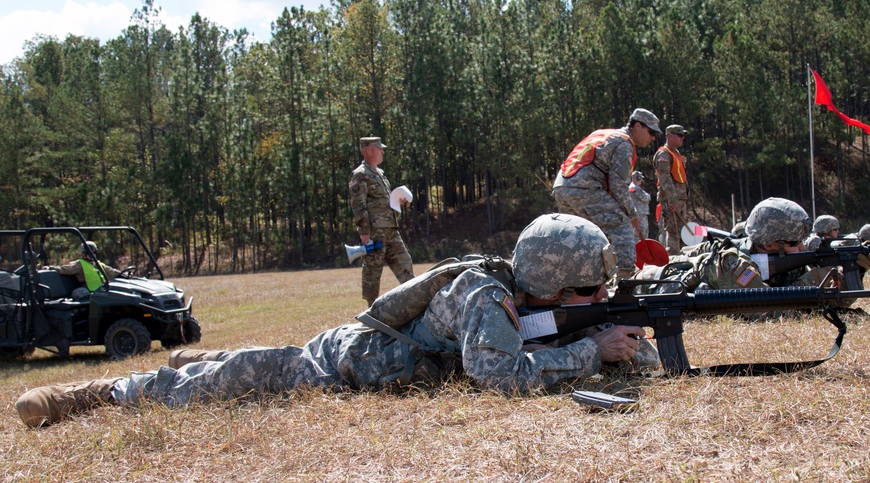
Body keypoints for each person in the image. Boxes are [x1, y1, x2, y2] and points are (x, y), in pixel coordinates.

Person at [15, 213, 655, 428]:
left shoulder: (537, 301)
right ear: (551, 283)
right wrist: (594, 352)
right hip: (348, 362)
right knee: (247, 377)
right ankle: (105, 392)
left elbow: (580, 336)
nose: (596, 298)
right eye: (589, 290)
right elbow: (502, 375)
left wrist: (626, 341)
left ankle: (187, 361)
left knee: (259, 362)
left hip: (369, 360)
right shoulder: (487, 296)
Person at [639, 198, 870, 294]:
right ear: (772, 244)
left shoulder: (782, 262)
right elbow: (767, 312)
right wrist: (816, 277)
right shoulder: (733, 263)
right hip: (652, 284)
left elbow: (821, 301)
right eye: (796, 243)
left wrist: (853, 272)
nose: (802, 248)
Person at [552, 108, 661, 278]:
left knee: (583, 237)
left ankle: (577, 284)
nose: (653, 137)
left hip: (562, 186)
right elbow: (619, 186)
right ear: (638, 126)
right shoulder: (624, 144)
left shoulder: (606, 134)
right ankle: (625, 281)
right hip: (584, 188)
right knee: (621, 225)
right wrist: (632, 215)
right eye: (651, 132)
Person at [349, 136, 415, 305]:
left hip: (391, 230)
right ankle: (371, 312)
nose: (382, 151)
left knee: (405, 264)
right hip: (375, 232)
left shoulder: (380, 174)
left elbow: (380, 201)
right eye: (380, 148)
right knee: (373, 273)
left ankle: (415, 305)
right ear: (369, 150)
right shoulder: (360, 174)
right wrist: (364, 232)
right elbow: (358, 205)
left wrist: (395, 202)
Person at [42, 241, 122, 299]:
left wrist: (123, 274)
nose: (93, 255)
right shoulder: (79, 264)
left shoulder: (98, 264)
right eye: (90, 253)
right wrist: (51, 268)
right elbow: (66, 269)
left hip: (103, 292)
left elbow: (111, 271)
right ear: (83, 254)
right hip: (91, 294)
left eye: (94, 253)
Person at [654, 124, 689, 255]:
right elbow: (665, 178)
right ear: (670, 136)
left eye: (683, 136)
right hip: (672, 202)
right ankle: (673, 260)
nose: (682, 138)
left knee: (681, 233)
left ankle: (680, 259)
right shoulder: (664, 154)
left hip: (680, 201)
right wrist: (672, 200)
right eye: (680, 135)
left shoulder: (676, 153)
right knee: (673, 233)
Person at [628, 171, 651, 240]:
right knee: (641, 233)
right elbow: (645, 198)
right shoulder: (634, 187)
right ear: (637, 178)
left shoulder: (635, 187)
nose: (641, 180)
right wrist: (648, 196)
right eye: (640, 178)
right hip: (639, 214)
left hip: (639, 213)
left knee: (643, 233)